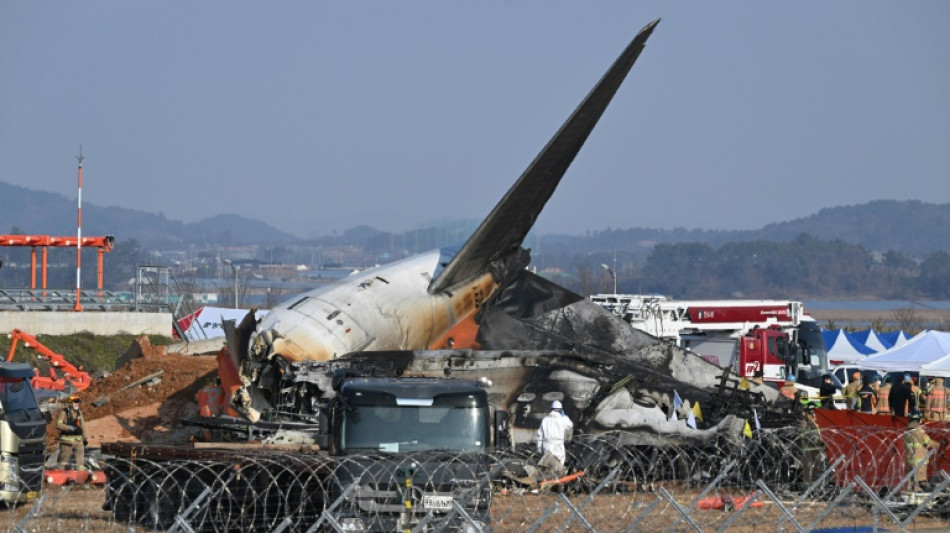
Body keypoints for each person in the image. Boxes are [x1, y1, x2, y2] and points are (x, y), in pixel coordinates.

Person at [536, 400, 574, 476]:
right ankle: (557, 480)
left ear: (551, 409)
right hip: (558, 445)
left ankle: (549, 479)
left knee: (548, 465)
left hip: (547, 445)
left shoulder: (545, 419)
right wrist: (564, 417)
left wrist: (539, 448)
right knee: (559, 465)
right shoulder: (562, 419)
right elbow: (570, 425)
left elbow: (539, 435)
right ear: (560, 409)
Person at [904, 412, 939, 491]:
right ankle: (918, 495)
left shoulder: (907, 432)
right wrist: (937, 444)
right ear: (919, 420)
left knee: (912, 479)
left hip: (910, 459)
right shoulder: (919, 431)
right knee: (920, 480)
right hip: (919, 460)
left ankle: (911, 493)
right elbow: (927, 442)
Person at [56, 395, 88, 471]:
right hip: (67, 441)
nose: (77, 404)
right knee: (62, 463)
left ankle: (79, 476)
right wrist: (68, 427)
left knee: (80, 464)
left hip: (78, 441)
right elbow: (58, 425)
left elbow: (82, 425)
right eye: (75, 402)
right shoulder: (64, 413)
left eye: (78, 403)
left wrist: (85, 437)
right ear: (70, 403)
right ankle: (58, 477)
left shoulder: (79, 413)